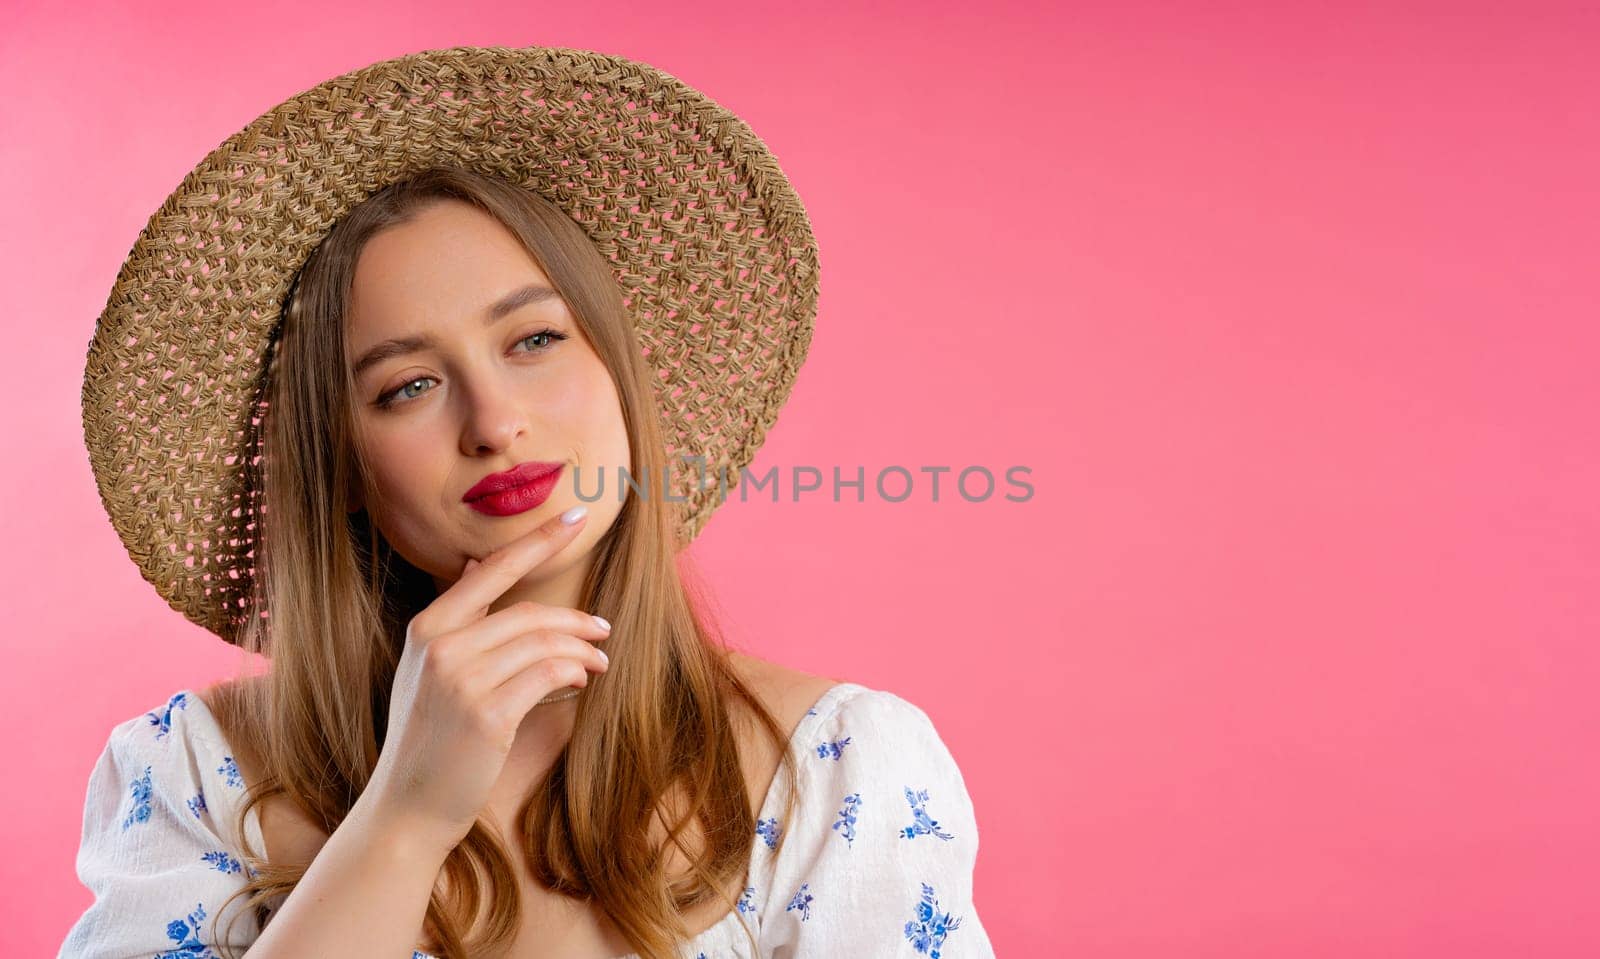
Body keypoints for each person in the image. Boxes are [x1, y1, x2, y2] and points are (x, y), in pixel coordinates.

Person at [61, 45, 993, 959]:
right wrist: (405, 817)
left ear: (625, 374)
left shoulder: (836, 770)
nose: (495, 422)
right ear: (341, 464)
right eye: (407, 387)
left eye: (535, 338)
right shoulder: (189, 774)